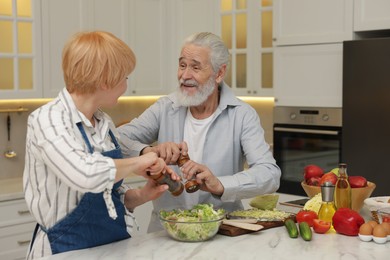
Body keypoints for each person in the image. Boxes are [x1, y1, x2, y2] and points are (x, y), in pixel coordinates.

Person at [23, 31, 179, 259]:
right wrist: (138, 162)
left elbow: (109, 197)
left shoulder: (103, 123)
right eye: (125, 77)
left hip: (111, 249)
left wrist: (143, 195)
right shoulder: (47, 120)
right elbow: (86, 174)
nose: (127, 83)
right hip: (64, 251)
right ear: (106, 80)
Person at [118, 32, 281, 232]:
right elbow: (115, 139)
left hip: (222, 233)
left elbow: (270, 175)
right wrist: (149, 151)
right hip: (165, 235)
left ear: (219, 73)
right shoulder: (165, 107)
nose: (185, 75)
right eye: (182, 65)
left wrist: (220, 184)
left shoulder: (242, 115)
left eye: (195, 67)